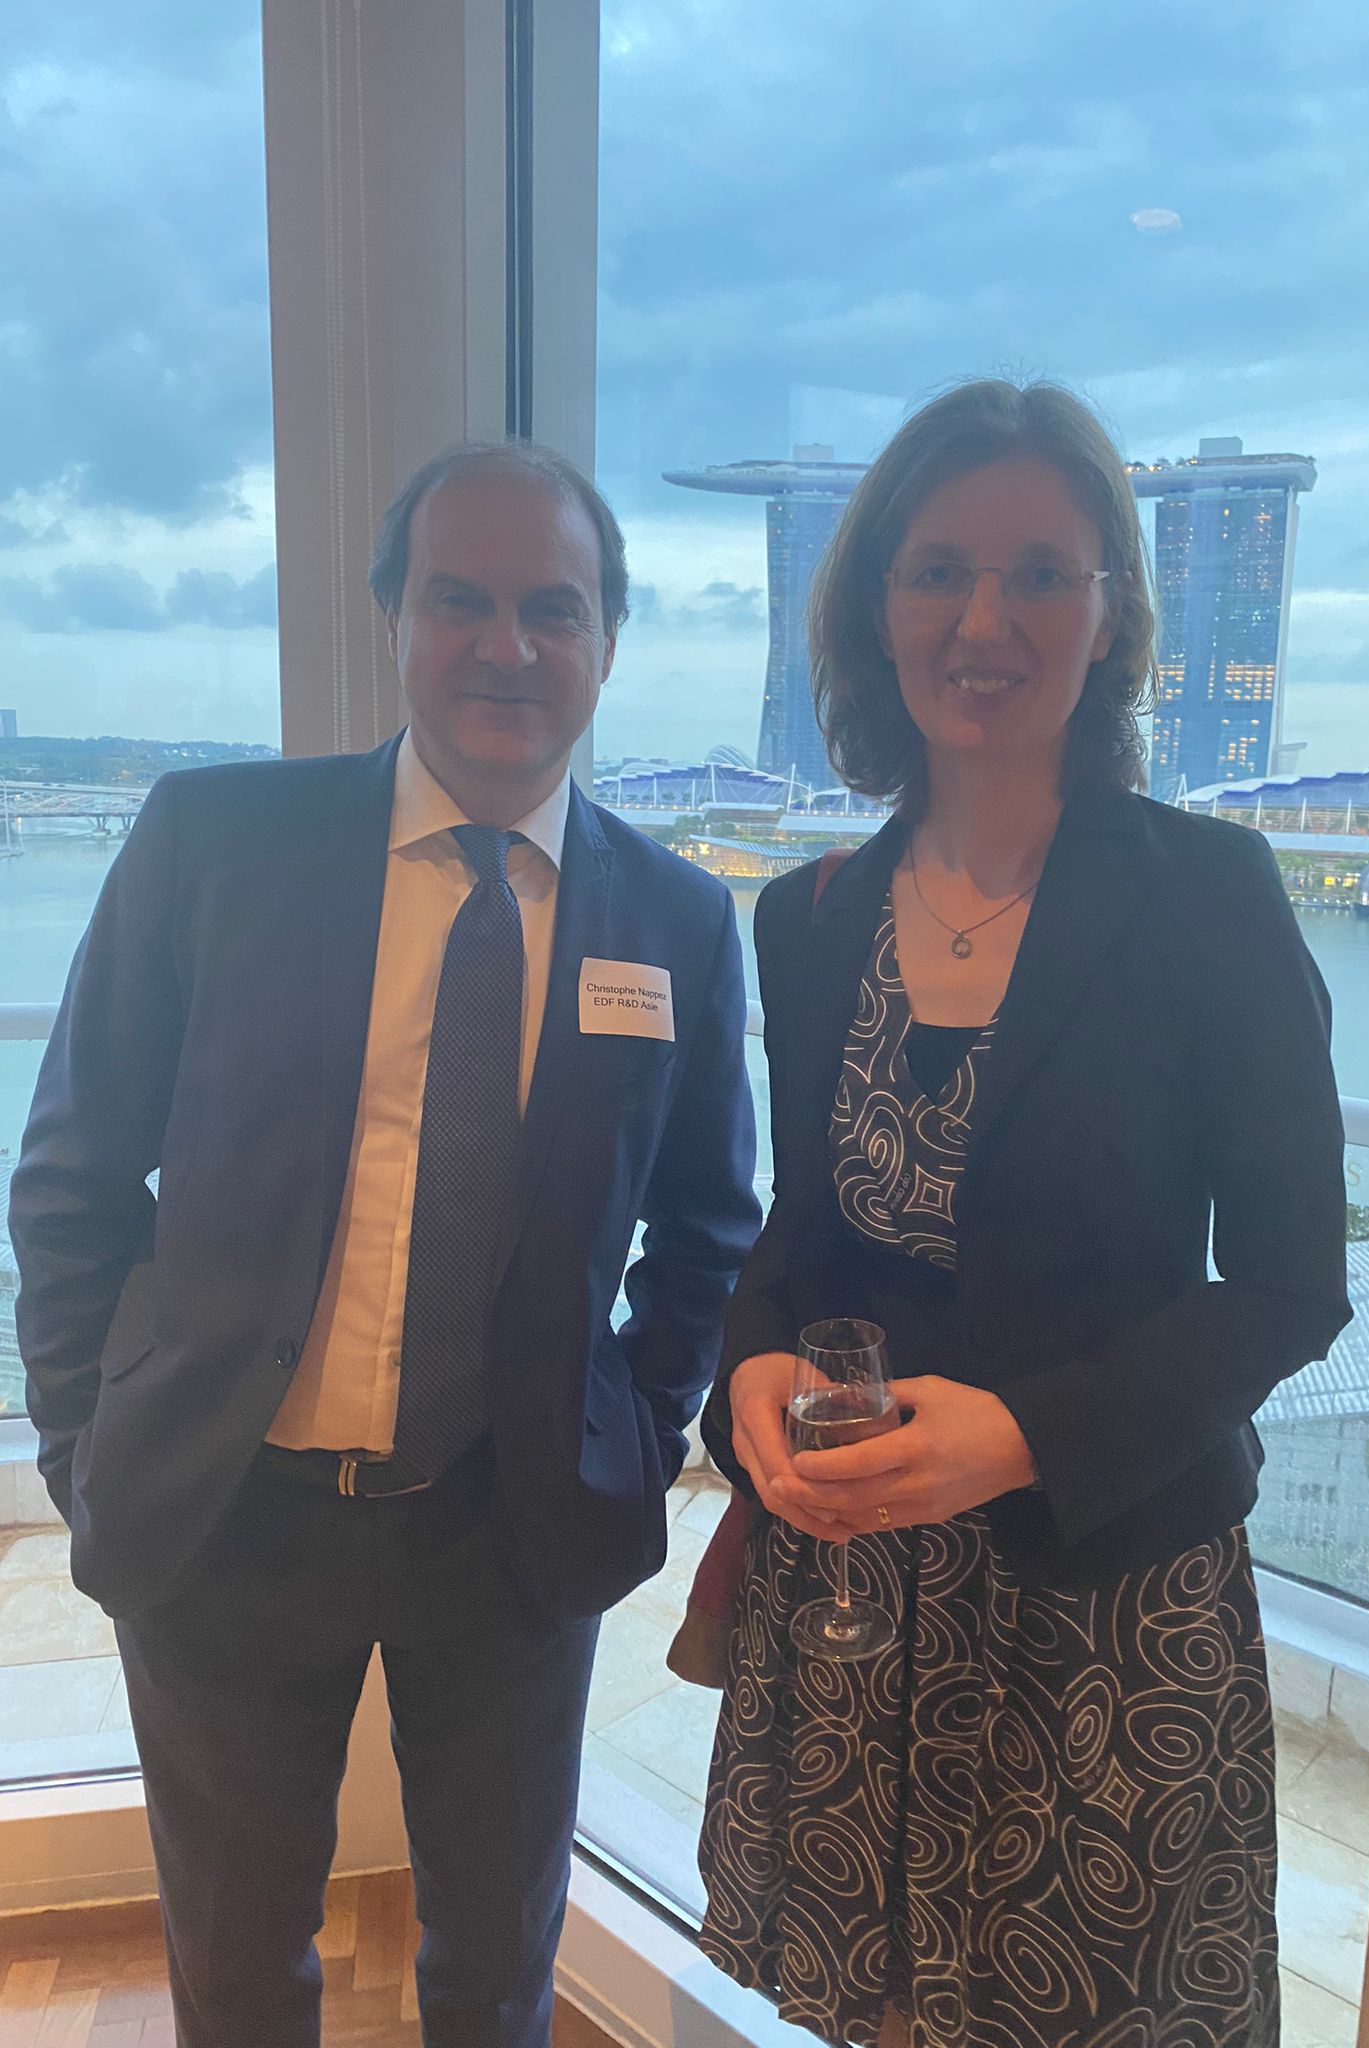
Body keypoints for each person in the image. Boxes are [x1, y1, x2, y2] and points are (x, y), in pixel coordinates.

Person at [11, 440, 759, 2048]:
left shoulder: (679, 922)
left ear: (609, 639)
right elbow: (73, 1173)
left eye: (554, 608)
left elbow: (709, 1227)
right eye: (461, 600)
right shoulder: (216, 845)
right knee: (236, 1970)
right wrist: (85, 1437)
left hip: (510, 1532)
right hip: (227, 1512)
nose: (509, 646)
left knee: (495, 1971)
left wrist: (628, 1432)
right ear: (395, 619)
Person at [696, 379, 1351, 2048]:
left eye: (1041, 574)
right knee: (877, 2015)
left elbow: (1292, 1284)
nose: (984, 621)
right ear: (876, 609)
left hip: (1106, 1609)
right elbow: (805, 1240)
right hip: (858, 1603)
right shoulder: (809, 917)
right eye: (939, 571)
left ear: (1110, 616)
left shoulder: (1208, 899)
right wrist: (748, 1371)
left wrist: (1027, 1438)